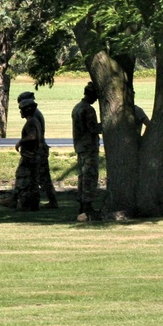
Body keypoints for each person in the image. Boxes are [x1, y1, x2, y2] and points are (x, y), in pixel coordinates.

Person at [0, 98, 42, 211]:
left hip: (29, 156)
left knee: (22, 179)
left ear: (27, 110)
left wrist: (20, 142)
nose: (20, 112)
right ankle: (32, 204)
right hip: (34, 155)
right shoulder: (35, 121)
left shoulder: (31, 123)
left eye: (22, 110)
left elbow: (32, 137)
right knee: (32, 181)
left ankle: (14, 200)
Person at [17, 90, 58, 208]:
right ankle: (49, 201)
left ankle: (44, 201)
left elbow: (33, 136)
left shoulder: (33, 117)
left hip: (36, 151)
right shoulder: (36, 114)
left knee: (39, 177)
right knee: (42, 177)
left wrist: (21, 142)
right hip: (39, 150)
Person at [71, 81, 102, 221]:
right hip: (89, 147)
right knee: (90, 176)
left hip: (80, 146)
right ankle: (87, 205)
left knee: (82, 176)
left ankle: (82, 203)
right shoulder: (88, 110)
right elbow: (93, 128)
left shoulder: (77, 108)